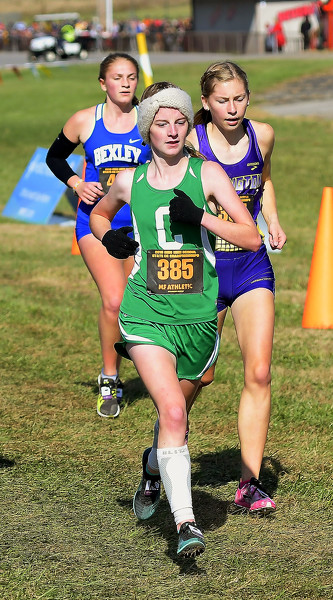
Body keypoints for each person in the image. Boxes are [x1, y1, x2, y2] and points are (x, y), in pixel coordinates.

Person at [90, 82, 261, 557]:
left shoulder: (208, 174)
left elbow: (251, 237)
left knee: (179, 412)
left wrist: (201, 218)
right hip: (145, 311)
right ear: (148, 129)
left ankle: (152, 466)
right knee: (172, 413)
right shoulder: (130, 181)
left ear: (188, 128)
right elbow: (99, 215)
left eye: (179, 122)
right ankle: (186, 523)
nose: (171, 130)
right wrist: (109, 238)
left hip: (198, 315)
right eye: (161, 123)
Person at [186, 61, 286, 515]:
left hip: (250, 265)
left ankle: (250, 483)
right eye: (222, 100)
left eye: (240, 98)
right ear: (205, 102)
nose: (232, 108)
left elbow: (263, 179)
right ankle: (163, 453)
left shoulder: (262, 135)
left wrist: (273, 220)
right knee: (197, 375)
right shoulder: (190, 141)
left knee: (259, 372)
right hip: (202, 269)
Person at [46, 52, 151, 418]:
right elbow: (54, 157)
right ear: (103, 83)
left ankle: (155, 368)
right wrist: (76, 182)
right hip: (95, 222)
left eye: (131, 77)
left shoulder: (148, 119)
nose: (125, 83)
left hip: (139, 223)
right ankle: (110, 377)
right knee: (113, 301)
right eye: (117, 77)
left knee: (139, 302)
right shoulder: (84, 121)